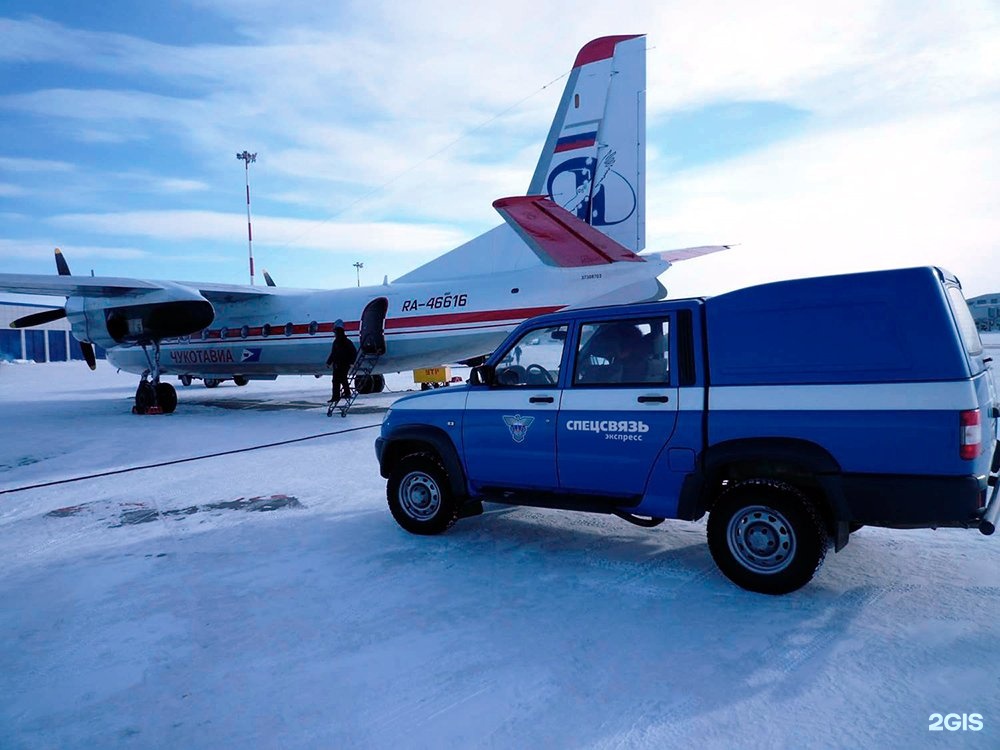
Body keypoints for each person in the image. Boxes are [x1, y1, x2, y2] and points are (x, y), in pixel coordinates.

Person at [325, 319, 357, 402]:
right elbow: (333, 353)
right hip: (337, 364)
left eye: (336, 332)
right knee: (335, 381)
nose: (335, 334)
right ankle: (335, 397)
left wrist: (351, 362)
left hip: (344, 364)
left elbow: (353, 352)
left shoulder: (346, 342)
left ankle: (347, 393)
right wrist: (329, 362)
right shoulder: (336, 342)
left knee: (342, 379)